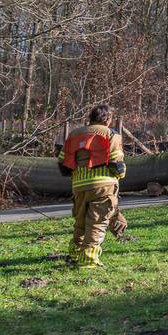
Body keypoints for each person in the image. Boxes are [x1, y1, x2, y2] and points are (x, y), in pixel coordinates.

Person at [57, 104, 126, 268]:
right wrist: (121, 175)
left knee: (80, 222)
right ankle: (89, 260)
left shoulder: (74, 135)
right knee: (97, 223)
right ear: (108, 119)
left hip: (79, 186)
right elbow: (116, 163)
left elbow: (62, 164)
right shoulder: (111, 135)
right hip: (103, 186)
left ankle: (74, 254)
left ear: (91, 118)